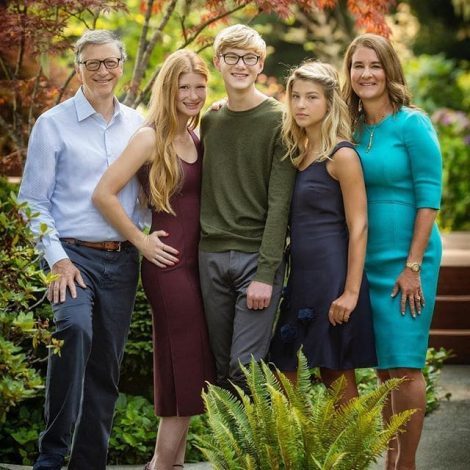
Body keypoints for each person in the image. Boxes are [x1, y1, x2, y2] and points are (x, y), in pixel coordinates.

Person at [18, 30, 144, 470]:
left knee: (106, 367)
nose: (104, 71)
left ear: (121, 66)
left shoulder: (138, 124)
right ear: (79, 68)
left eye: (111, 62)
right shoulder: (53, 124)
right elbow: (31, 201)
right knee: (73, 332)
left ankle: (90, 462)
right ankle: (51, 458)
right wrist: (58, 261)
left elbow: (149, 193)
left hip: (122, 260)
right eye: (94, 64)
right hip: (72, 257)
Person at [93, 49, 215, 470]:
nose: (193, 94)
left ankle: (173, 463)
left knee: (183, 362)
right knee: (185, 361)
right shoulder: (151, 137)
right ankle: (162, 465)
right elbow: (104, 194)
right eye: (184, 87)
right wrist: (140, 241)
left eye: (199, 86)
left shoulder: (195, 135)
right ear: (169, 88)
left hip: (198, 267)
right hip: (168, 266)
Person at [342, 33, 442, 470]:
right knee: (382, 371)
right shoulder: (350, 126)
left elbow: (429, 199)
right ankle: (390, 459)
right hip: (364, 256)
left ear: (389, 71)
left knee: (403, 366)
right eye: (357, 66)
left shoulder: (412, 124)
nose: (365, 74)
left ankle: (407, 464)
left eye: (374, 65)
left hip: (407, 259)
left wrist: (413, 266)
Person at [269, 61, 377, 403]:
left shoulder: (341, 155)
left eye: (311, 97)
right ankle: (300, 457)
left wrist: (350, 292)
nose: (301, 105)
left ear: (329, 103)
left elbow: (358, 226)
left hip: (332, 278)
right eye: (296, 97)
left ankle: (352, 456)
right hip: (300, 277)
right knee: (285, 371)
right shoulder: (297, 152)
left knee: (334, 371)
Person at [198, 24, 296, 394]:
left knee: (245, 368)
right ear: (218, 62)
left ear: (261, 64)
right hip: (210, 256)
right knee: (221, 370)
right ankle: (234, 453)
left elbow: (280, 204)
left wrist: (266, 273)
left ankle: (261, 450)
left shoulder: (279, 120)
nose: (240, 65)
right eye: (232, 57)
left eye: (250, 58)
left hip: (256, 258)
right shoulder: (210, 120)